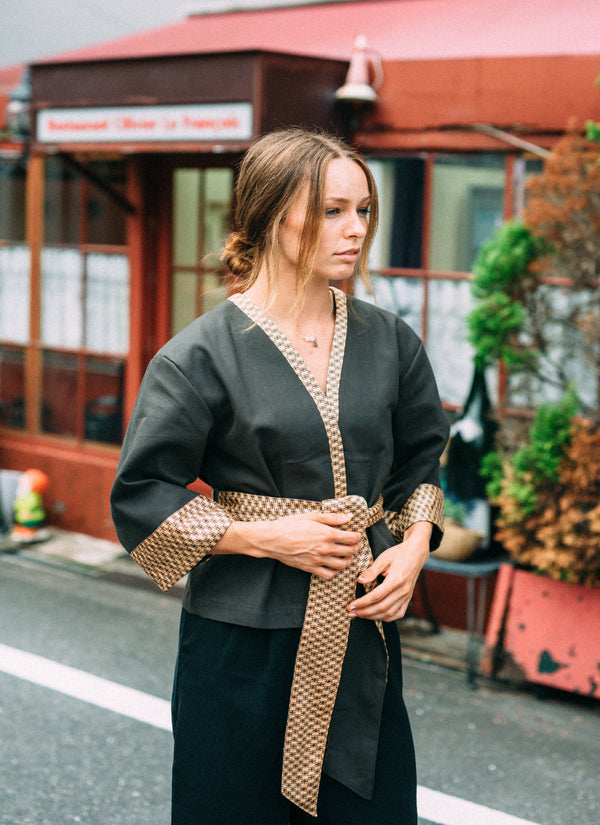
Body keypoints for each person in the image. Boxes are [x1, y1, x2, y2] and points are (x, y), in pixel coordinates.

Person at [110, 128, 450, 825]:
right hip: (241, 646)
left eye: (363, 209)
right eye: (331, 210)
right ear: (269, 213)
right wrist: (267, 538)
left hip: (361, 631)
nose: (355, 229)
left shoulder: (392, 341)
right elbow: (141, 497)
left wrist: (413, 547)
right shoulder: (196, 357)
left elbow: (421, 462)